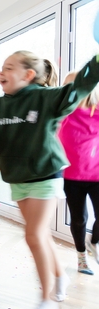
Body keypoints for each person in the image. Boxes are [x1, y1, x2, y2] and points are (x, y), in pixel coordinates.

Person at [0, 51, 99, 309]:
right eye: (1, 67)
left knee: (33, 236)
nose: (1, 72)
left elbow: (80, 87)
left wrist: (96, 62)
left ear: (28, 75)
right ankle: (60, 278)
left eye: (9, 68)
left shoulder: (45, 98)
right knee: (41, 236)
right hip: (18, 177)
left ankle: (47, 300)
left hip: (45, 174)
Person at [58, 71, 99, 276]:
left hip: (96, 175)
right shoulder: (63, 113)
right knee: (78, 219)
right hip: (71, 177)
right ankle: (82, 259)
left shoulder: (97, 110)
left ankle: (94, 242)